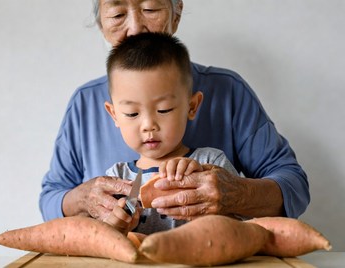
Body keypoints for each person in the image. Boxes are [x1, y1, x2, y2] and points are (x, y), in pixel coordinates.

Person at [39, 0, 310, 223]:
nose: (135, 29)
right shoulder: (84, 102)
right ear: (101, 25)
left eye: (150, 9)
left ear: (176, 13)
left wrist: (237, 194)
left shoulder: (228, 90)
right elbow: (51, 199)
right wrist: (83, 200)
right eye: (118, 14)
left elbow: (294, 187)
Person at [102, 32, 239, 235]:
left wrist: (200, 187)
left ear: (191, 107)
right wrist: (116, 225)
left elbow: (241, 224)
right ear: (114, 115)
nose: (148, 125)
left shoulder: (210, 163)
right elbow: (101, 239)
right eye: (132, 113)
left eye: (164, 110)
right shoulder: (117, 179)